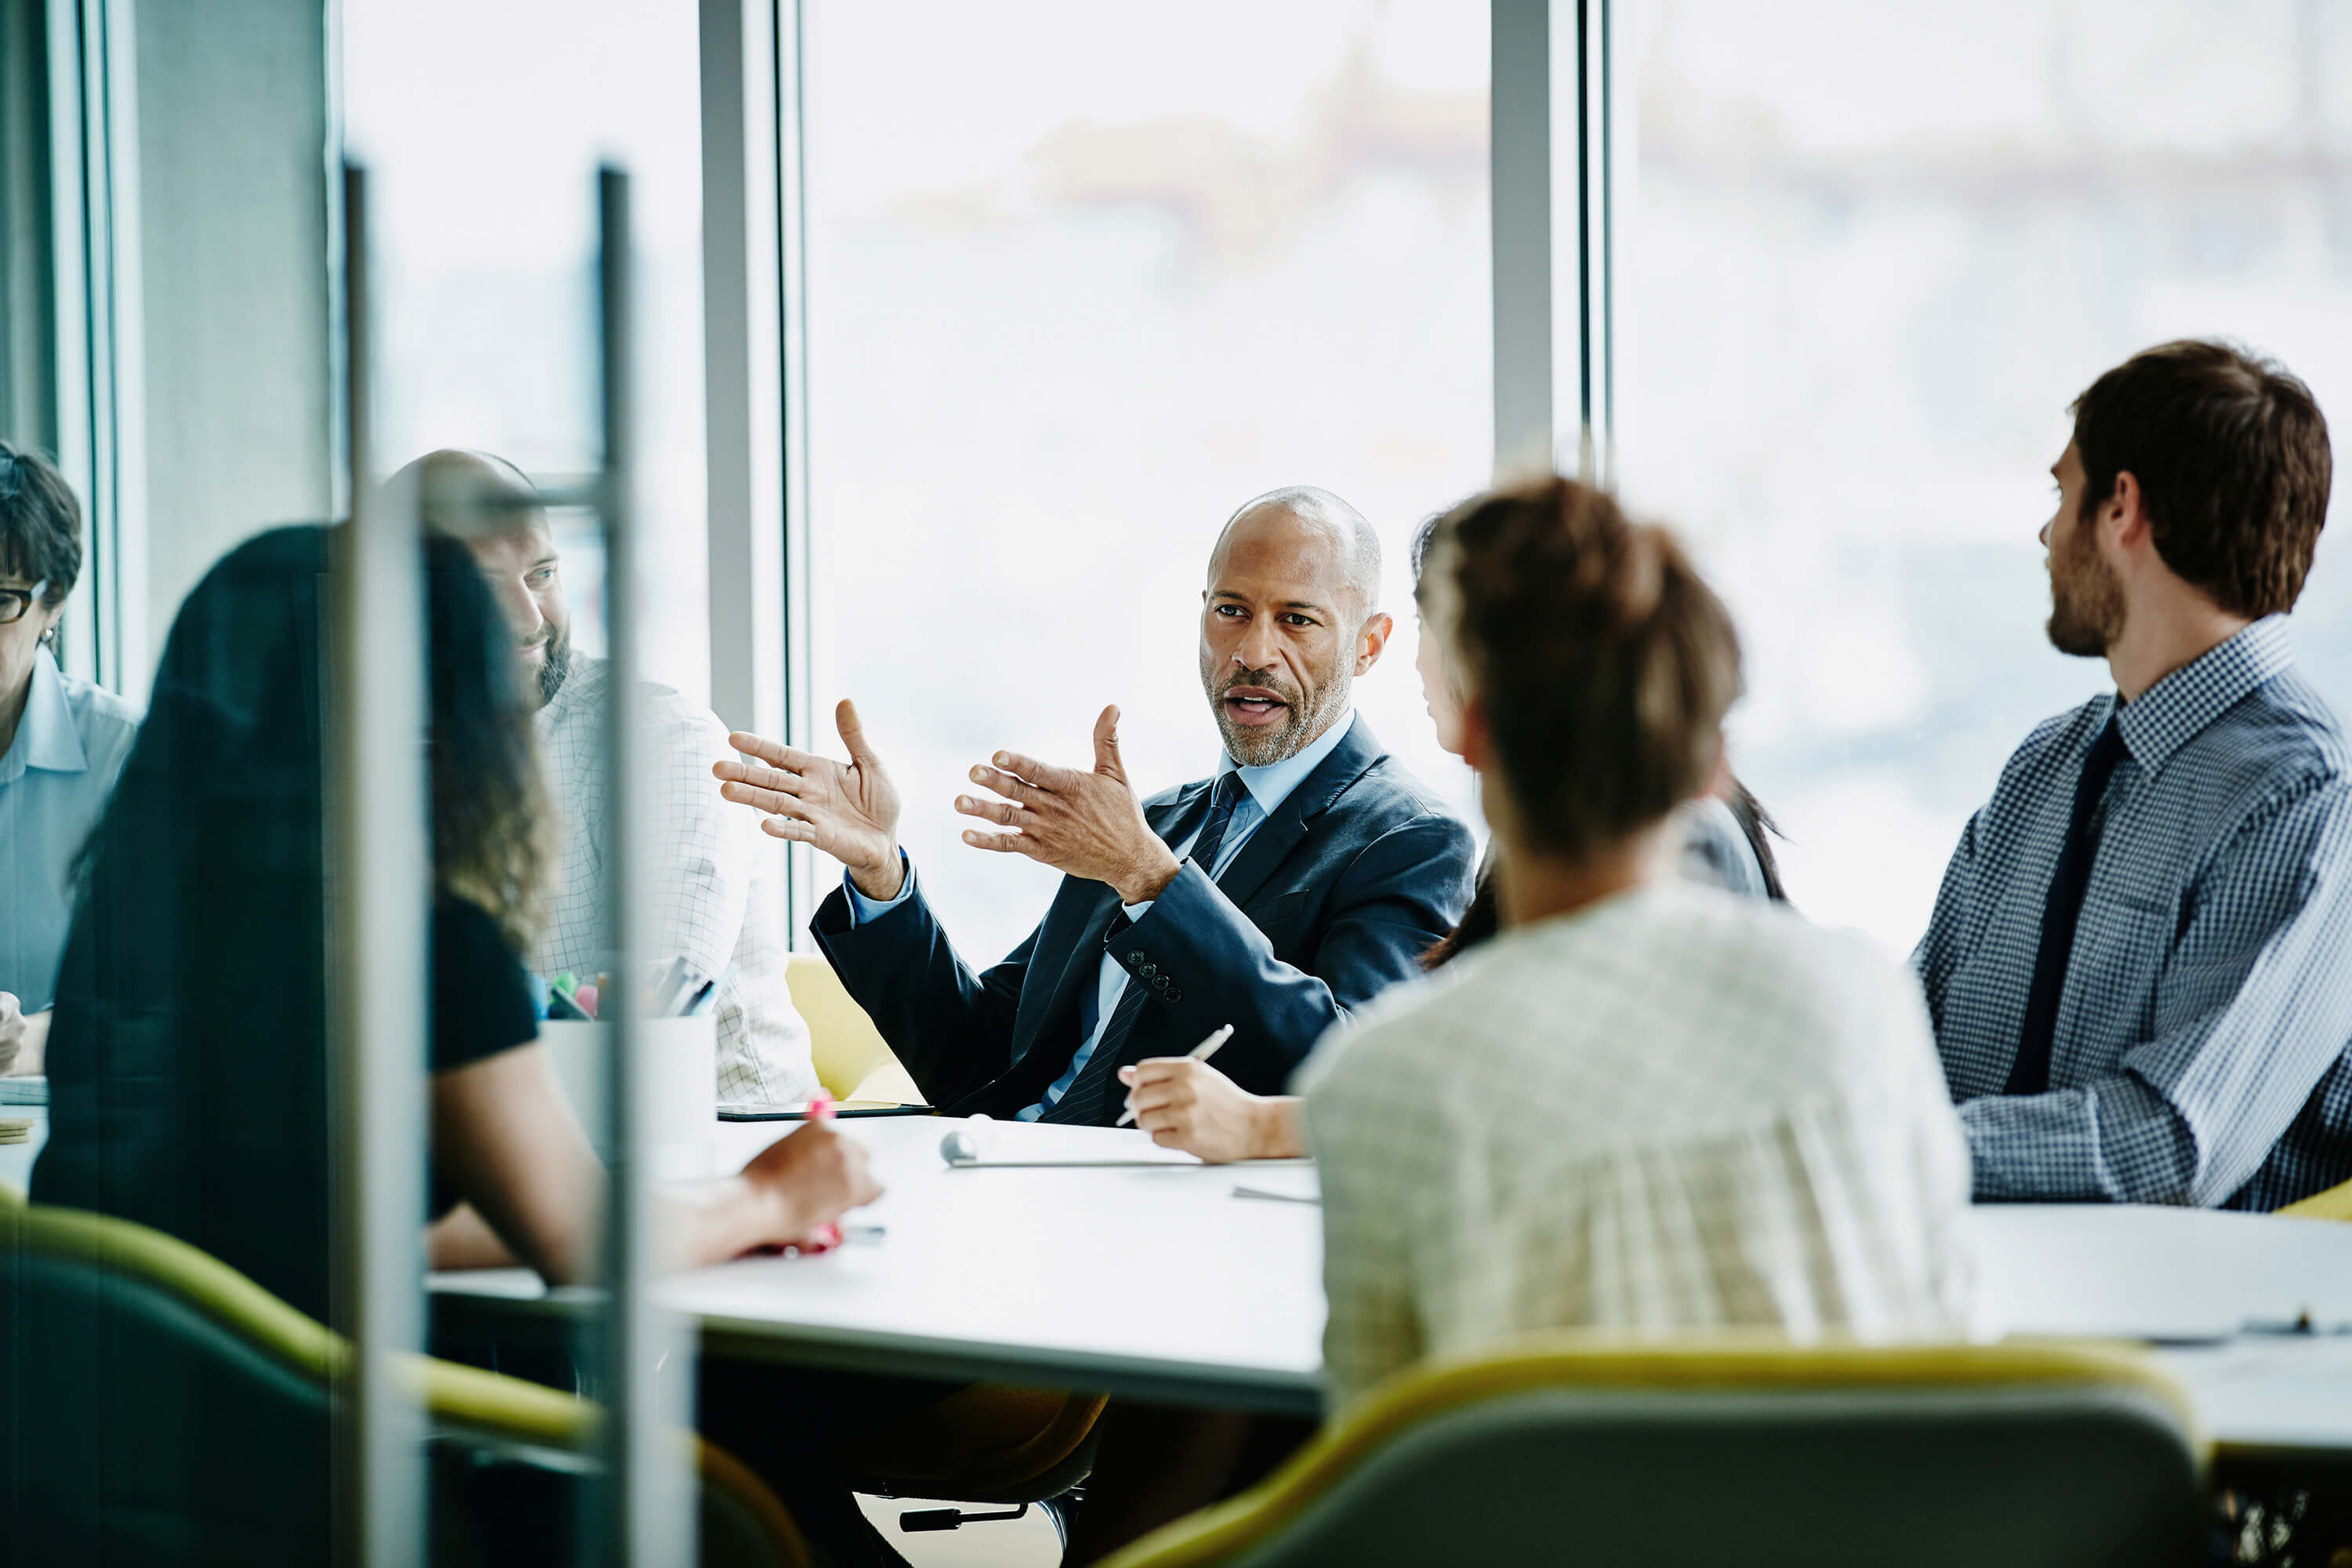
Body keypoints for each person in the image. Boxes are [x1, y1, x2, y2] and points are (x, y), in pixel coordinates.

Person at [1303, 476, 1974, 1414]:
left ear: (1475, 731)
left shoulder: (1383, 1084)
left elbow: (1382, 1464)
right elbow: (1947, 1345)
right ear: (1711, 756)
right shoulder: (1864, 997)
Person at [716, 485, 1479, 1124]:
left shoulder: (1409, 839)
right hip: (1006, 1180)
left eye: (1298, 619)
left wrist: (1150, 879)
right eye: (1231, 610)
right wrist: (884, 874)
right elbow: (976, 1059)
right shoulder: (1148, 822)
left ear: (1370, 645)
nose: (1252, 651)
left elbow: (1349, 1078)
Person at [1120, 507, 1787, 1161]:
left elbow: (1553, 1107)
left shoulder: (1670, 839)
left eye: (1429, 624)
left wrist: (1260, 1128)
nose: (1416, 661)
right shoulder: (1552, 834)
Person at [1915, 339, 2352, 1210]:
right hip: (1971, 1297)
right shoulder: (2044, 769)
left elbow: (2171, 1142)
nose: (2046, 534)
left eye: (2061, 492)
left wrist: (1883, 1154)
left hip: (2191, 1330)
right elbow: (1907, 1042)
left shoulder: (2309, 799)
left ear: (2122, 508)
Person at [395, 448, 821, 1107]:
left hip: (728, 1150)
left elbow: (655, 1010)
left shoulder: (659, 739)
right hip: (492, 1163)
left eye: (542, 574)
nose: (531, 620)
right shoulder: (358, 752)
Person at [0, 442, 138, 1079]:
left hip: (75, 1147)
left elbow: (167, 997)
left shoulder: (124, 756)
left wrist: (24, 1041)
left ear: (53, 603)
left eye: (1, 601)